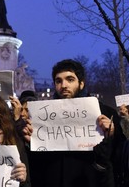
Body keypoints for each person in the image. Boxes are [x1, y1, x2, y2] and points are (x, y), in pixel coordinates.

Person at [24, 59, 124, 187]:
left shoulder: (105, 113)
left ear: (81, 83)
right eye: (58, 81)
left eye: (70, 79)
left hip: (90, 181)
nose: (64, 85)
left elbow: (118, 155)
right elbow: (38, 162)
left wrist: (111, 135)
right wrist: (30, 142)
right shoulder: (42, 116)